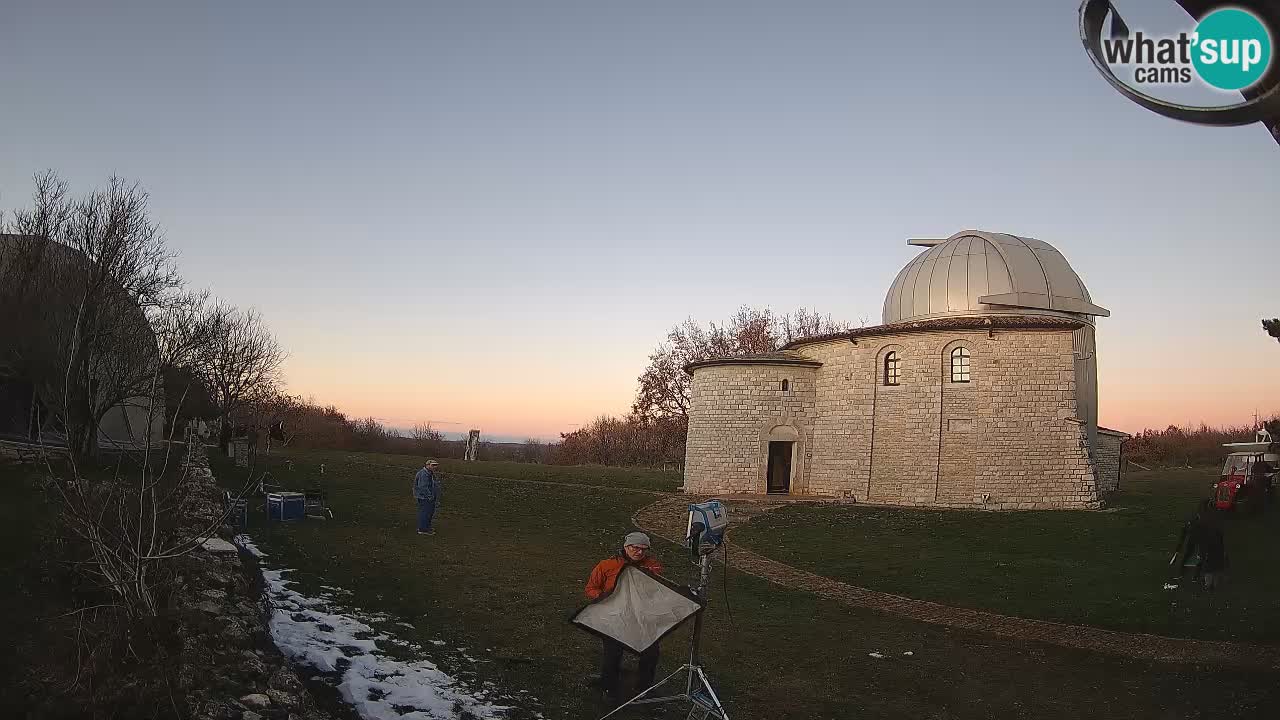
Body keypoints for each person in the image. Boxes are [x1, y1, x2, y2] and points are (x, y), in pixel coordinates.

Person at [584, 531, 663, 704]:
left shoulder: (653, 566)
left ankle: (644, 687)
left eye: (644, 549)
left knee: (651, 652)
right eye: (635, 548)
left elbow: (657, 591)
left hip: (641, 617)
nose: (640, 552)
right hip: (614, 617)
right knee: (613, 653)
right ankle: (609, 687)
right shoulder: (607, 565)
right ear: (626, 546)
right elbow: (590, 588)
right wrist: (605, 597)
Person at [412, 460, 441, 535]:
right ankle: (423, 529)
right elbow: (423, 487)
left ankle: (426, 527)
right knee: (425, 513)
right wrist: (429, 496)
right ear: (427, 465)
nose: (435, 467)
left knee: (429, 512)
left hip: (428, 496)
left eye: (436, 465)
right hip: (424, 497)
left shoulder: (429, 473)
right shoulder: (423, 474)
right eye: (433, 465)